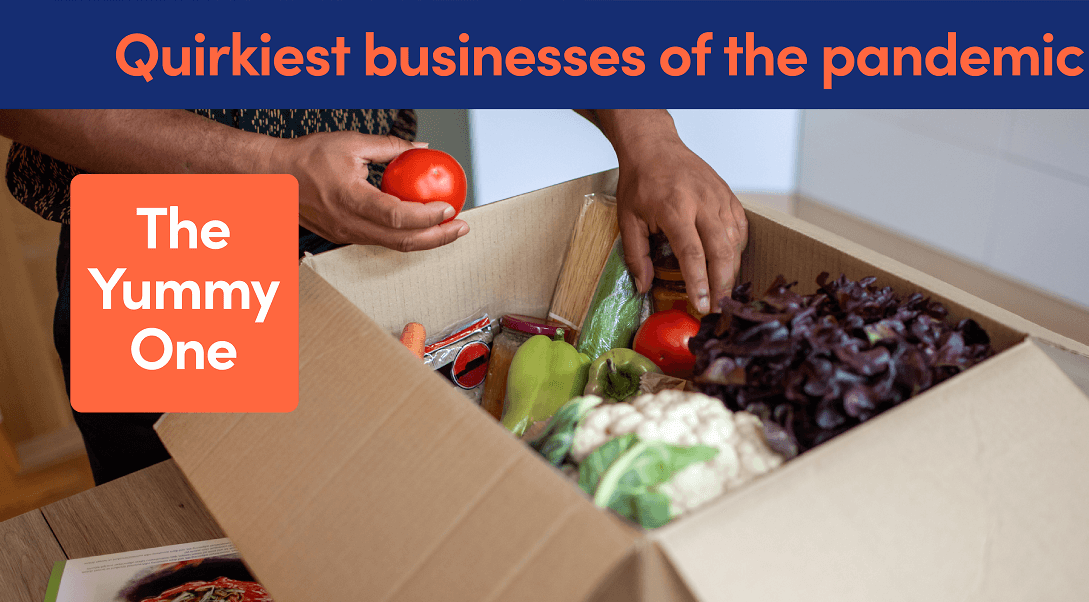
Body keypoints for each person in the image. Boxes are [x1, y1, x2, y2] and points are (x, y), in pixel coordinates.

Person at [0, 108, 748, 484]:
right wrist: (265, 170)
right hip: (172, 241)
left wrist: (648, 133)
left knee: (395, 519)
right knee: (207, 556)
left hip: (379, 220)